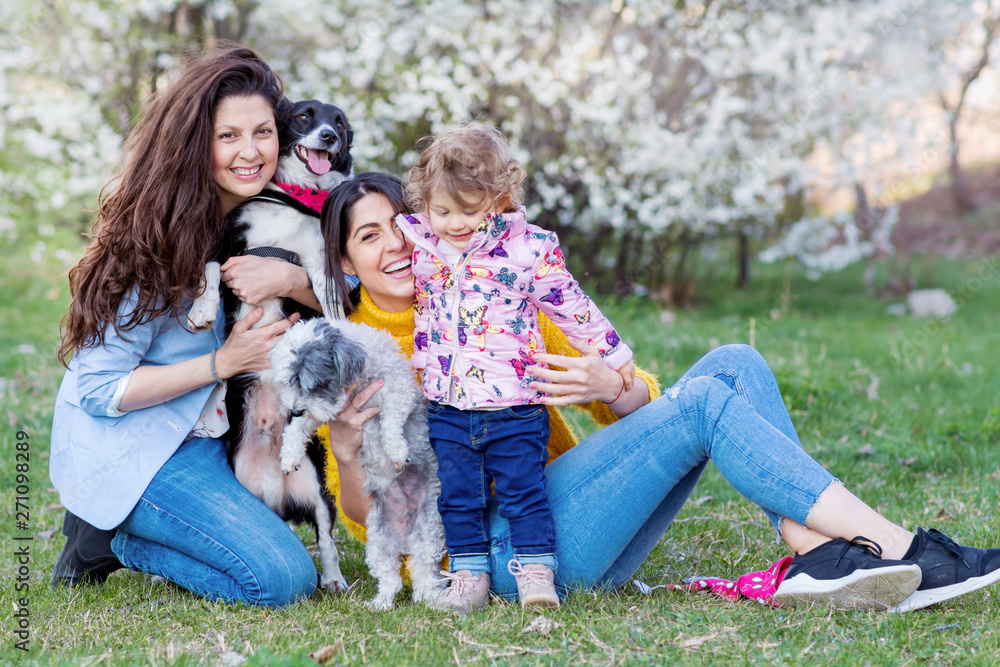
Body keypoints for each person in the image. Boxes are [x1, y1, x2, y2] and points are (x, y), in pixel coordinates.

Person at [232, 174, 1000, 615]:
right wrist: (339, 441)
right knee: (705, 404)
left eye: (400, 224)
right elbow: (371, 525)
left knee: (731, 361)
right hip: (504, 555)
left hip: (573, 503)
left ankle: (821, 557)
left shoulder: (497, 290)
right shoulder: (356, 350)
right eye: (368, 237)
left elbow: (644, 406)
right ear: (347, 263)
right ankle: (905, 551)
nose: (394, 244)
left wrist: (612, 383)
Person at [49, 45, 320, 607]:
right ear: (197, 142)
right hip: (138, 446)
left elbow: (343, 299)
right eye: (228, 136)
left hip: (208, 437)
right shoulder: (151, 237)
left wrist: (290, 281)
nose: (251, 152)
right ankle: (109, 541)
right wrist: (223, 363)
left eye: (263, 132)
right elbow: (100, 390)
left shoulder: (262, 218)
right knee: (281, 581)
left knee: (286, 570)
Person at [391, 123, 636, 612]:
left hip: (517, 407)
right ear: (425, 204)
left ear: (500, 200)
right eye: (442, 211)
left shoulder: (527, 252)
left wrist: (613, 355)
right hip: (448, 406)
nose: (455, 224)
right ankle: (468, 575)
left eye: (470, 212)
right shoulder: (422, 249)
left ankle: (536, 571)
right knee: (459, 497)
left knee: (524, 491)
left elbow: (574, 306)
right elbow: (404, 297)